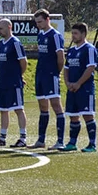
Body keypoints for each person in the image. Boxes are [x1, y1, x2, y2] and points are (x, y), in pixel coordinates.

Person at [61, 22, 98, 152]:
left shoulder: (89, 49)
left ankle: (92, 144)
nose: (73, 36)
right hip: (72, 88)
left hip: (85, 88)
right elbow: (66, 68)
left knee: (88, 115)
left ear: (83, 34)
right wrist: (67, 83)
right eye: (72, 33)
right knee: (73, 115)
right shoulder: (71, 51)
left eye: (76, 33)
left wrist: (78, 83)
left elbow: (90, 68)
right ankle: (72, 143)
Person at [31, 9, 67, 149]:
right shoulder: (40, 35)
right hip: (40, 74)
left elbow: (60, 58)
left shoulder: (55, 35)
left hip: (51, 74)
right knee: (42, 107)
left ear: (48, 19)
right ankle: (41, 140)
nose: (38, 25)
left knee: (56, 106)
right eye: (36, 22)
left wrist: (55, 73)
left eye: (40, 21)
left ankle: (60, 141)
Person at [0, 18, 29, 146]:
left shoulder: (15, 43)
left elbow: (23, 62)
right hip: (3, 82)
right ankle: (2, 137)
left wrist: (19, 76)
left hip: (13, 82)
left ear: (9, 27)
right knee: (3, 109)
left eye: (1, 28)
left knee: (18, 109)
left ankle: (23, 138)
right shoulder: (1, 43)